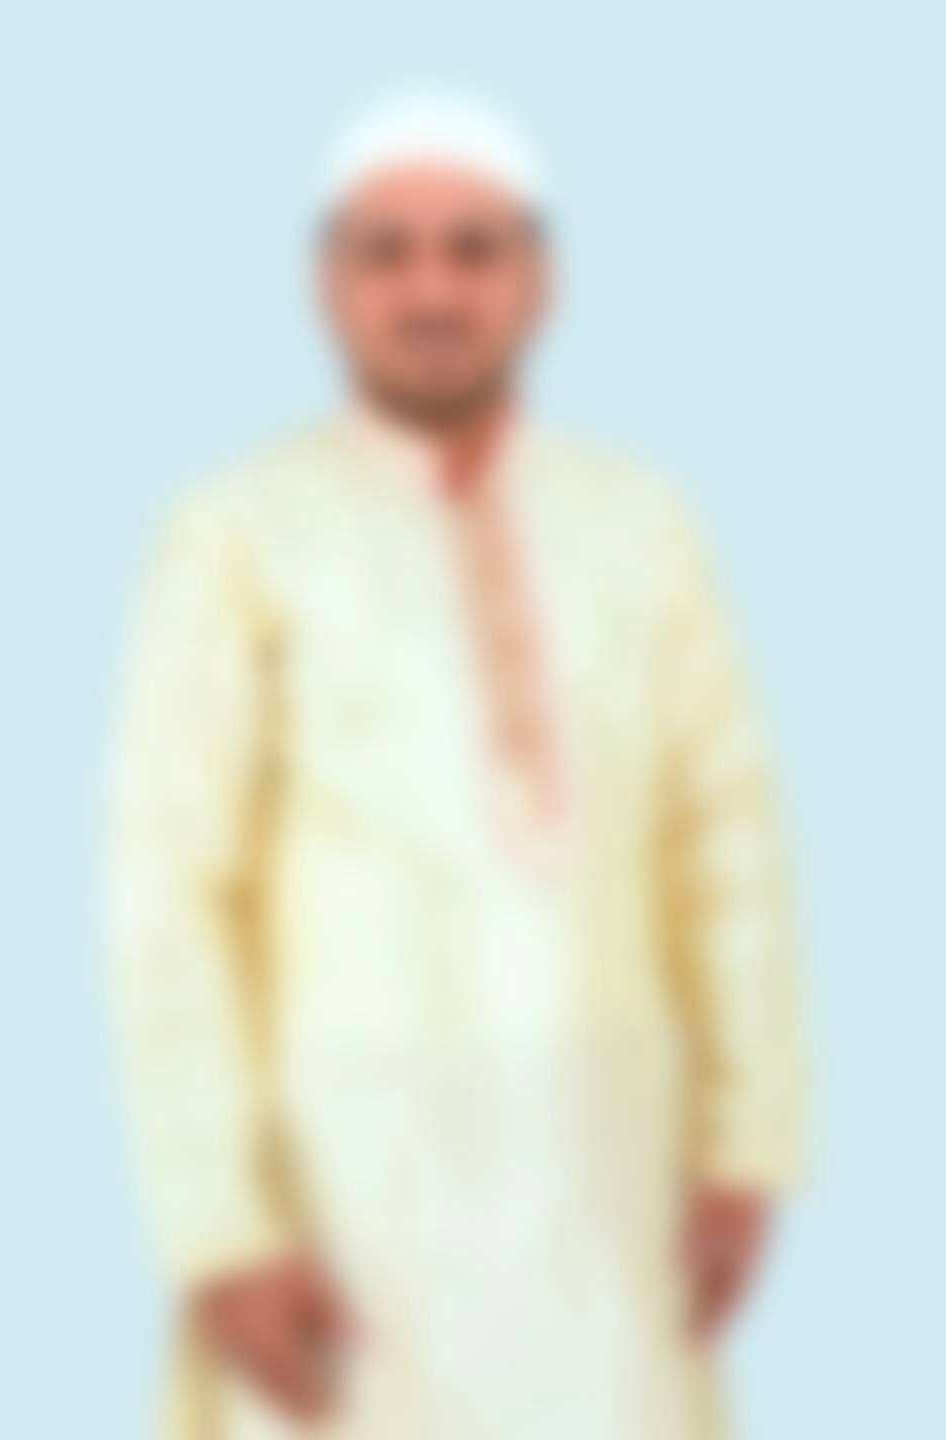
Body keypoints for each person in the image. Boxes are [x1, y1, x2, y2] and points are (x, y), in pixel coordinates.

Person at [111, 91, 807, 1440]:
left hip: (606, 1172)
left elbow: (728, 846)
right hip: (343, 1186)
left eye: (473, 250)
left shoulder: (641, 525)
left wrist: (746, 1141)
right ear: (329, 286)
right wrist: (217, 1224)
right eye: (388, 253)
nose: (432, 290)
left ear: (538, 281)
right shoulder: (236, 534)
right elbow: (169, 896)